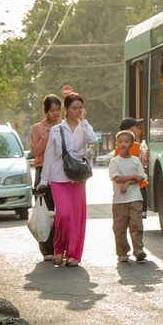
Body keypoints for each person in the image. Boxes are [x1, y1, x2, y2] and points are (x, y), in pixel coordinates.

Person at [38, 92, 96, 267]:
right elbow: (48, 156)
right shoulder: (56, 130)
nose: (78, 111)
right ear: (66, 109)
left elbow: (93, 140)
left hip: (77, 178)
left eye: (80, 108)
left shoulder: (84, 128)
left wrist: (84, 121)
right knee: (63, 214)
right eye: (74, 108)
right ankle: (58, 248)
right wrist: (43, 180)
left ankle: (73, 255)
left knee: (76, 218)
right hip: (58, 178)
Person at [29, 94, 62, 261]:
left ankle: (59, 247)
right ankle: (47, 249)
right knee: (45, 211)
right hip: (42, 170)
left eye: (58, 110)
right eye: (52, 110)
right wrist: (46, 138)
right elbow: (34, 153)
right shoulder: (38, 128)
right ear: (46, 111)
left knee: (61, 211)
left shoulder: (64, 127)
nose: (55, 114)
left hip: (60, 171)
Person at [108, 130, 148, 263]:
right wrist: (132, 178)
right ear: (116, 144)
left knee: (136, 224)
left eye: (126, 142)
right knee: (119, 228)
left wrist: (129, 182)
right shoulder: (114, 161)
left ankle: (138, 250)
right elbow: (116, 178)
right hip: (119, 200)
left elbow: (143, 177)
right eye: (120, 142)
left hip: (135, 198)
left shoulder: (136, 161)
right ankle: (122, 252)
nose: (123, 144)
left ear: (132, 144)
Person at [117, 117, 149, 218]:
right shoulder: (120, 149)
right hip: (128, 191)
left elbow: (144, 166)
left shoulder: (141, 146)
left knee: (138, 220)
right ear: (129, 131)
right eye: (137, 127)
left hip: (140, 188)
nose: (139, 129)